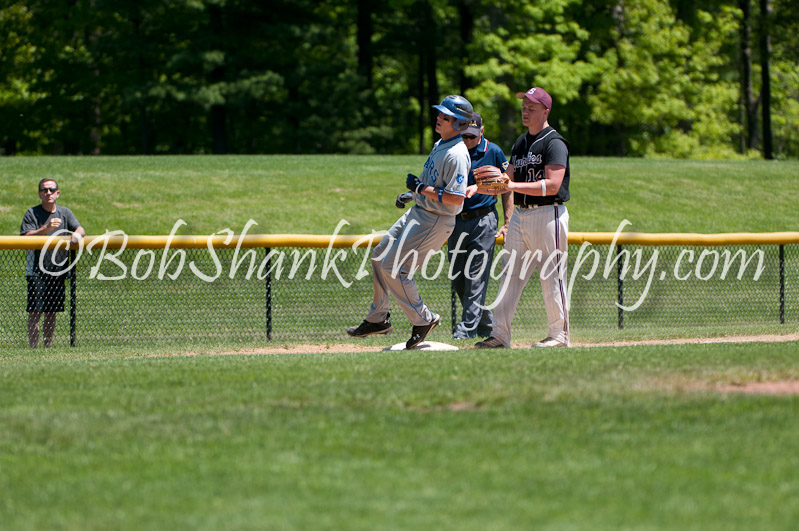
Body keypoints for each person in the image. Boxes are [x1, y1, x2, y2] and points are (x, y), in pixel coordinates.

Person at [348, 95, 473, 349]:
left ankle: (423, 319)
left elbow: (456, 198)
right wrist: (413, 194)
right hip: (420, 211)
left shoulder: (457, 154)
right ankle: (378, 318)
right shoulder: (441, 144)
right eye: (440, 113)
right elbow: (432, 185)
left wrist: (421, 189)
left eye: (446, 116)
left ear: (459, 123)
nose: (439, 118)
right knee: (379, 256)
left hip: (435, 220)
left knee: (396, 269)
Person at [474, 87, 571, 349]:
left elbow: (553, 185)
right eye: (523, 107)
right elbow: (505, 179)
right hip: (520, 215)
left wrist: (512, 185)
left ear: (545, 111)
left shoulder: (554, 142)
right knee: (509, 276)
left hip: (548, 213)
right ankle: (500, 336)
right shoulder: (521, 142)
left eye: (531, 107)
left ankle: (559, 335)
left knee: (551, 276)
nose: (525, 111)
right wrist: (476, 187)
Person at [448, 112, 510, 339]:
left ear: (482, 131)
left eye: (472, 136)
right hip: (456, 220)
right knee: (458, 278)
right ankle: (486, 326)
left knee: (476, 278)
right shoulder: (454, 150)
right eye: (463, 135)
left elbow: (507, 186)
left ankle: (465, 331)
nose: (467, 140)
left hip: (484, 220)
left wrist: (508, 221)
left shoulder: (493, 151)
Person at [21, 178, 85, 348]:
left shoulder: (65, 213)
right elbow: (25, 237)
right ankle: (33, 348)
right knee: (35, 311)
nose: (48, 193)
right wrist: (46, 228)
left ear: (57, 193)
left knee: (51, 312)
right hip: (36, 271)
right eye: (44, 190)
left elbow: (80, 228)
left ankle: (47, 348)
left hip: (57, 270)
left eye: (51, 190)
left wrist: (77, 234)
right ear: (39, 194)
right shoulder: (32, 213)